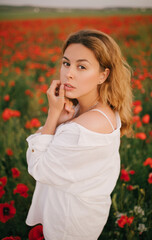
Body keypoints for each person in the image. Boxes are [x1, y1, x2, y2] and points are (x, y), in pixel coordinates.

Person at [26, 29, 133, 240]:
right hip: (72, 213)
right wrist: (58, 123)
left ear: (103, 75)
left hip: (68, 223)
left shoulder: (86, 127)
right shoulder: (89, 110)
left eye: (81, 66)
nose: (69, 74)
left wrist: (53, 116)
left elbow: (37, 166)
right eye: (66, 63)